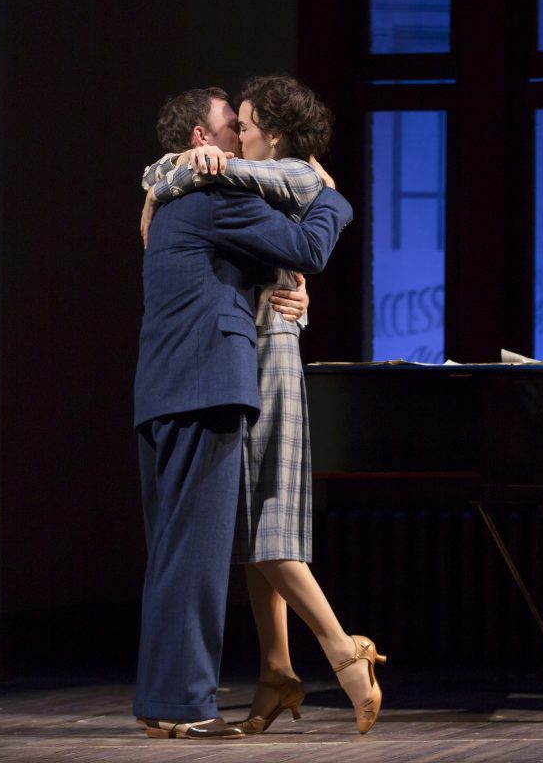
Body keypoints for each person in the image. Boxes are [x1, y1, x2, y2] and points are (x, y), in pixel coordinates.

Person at [141, 75, 386, 736]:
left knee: (262, 521)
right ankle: (284, 664)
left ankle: (322, 654)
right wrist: (169, 172)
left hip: (256, 358)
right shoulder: (218, 178)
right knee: (249, 525)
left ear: (271, 135)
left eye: (245, 125)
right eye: (232, 126)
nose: (237, 136)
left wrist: (297, 302)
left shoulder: (270, 178)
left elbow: (300, 246)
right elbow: (277, 247)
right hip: (228, 360)